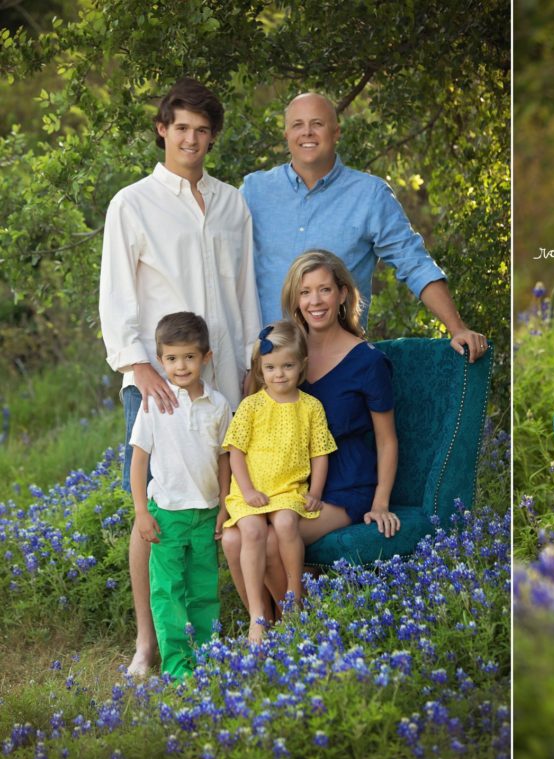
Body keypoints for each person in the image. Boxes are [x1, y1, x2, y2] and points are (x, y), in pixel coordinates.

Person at [99, 77, 261, 675]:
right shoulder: (132, 203)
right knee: (157, 513)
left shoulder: (231, 203)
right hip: (159, 387)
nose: (190, 139)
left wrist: (248, 364)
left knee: (221, 502)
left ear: (212, 137)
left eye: (202, 130)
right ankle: (148, 641)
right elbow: (116, 295)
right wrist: (139, 369)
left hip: (221, 387)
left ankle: (210, 631)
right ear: (163, 129)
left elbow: (243, 290)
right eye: (181, 127)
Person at [240, 91, 488, 362]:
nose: (307, 133)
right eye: (298, 125)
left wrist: (457, 328)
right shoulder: (254, 191)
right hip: (268, 367)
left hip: (338, 366)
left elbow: (414, 262)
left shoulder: (370, 195)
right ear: (286, 134)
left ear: (337, 133)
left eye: (317, 124)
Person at [221, 249, 400, 619]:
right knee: (236, 537)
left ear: (342, 295)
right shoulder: (282, 353)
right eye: (305, 292)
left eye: (324, 290)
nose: (315, 301)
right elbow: (254, 424)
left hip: (343, 484)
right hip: (285, 481)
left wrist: (380, 502)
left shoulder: (367, 361)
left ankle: (298, 624)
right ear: (294, 300)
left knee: (272, 540)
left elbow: (386, 439)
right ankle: (267, 627)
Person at [128, 312, 231, 679]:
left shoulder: (219, 405)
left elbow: (224, 458)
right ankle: (175, 664)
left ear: (206, 357)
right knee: (168, 592)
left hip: (205, 512)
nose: (180, 365)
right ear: (161, 360)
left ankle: (206, 657)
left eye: (189, 357)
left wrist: (224, 505)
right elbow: (139, 462)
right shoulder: (154, 403)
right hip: (167, 514)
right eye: (171, 358)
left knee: (204, 589)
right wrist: (142, 511)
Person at [222, 319, 337, 644]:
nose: (279, 374)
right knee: (254, 531)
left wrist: (315, 492)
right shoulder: (251, 405)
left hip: (288, 489)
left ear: (301, 366)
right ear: (261, 368)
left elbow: (320, 454)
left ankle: (293, 598)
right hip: (251, 490)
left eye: (287, 366)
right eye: (270, 367)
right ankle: (258, 614)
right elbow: (236, 453)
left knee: (287, 523)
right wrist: (247, 490)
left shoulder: (311, 407)